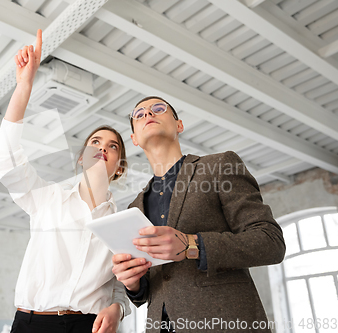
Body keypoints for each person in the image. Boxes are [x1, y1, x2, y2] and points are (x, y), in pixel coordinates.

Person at [0, 29, 130, 333]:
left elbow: (122, 279)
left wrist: (118, 308)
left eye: (112, 146)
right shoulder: (47, 198)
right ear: (82, 157)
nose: (103, 148)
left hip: (87, 326)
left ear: (119, 168)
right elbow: (5, 160)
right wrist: (24, 85)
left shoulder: (123, 222)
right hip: (31, 323)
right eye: (95, 142)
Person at [111, 96, 286, 333]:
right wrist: (133, 284)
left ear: (179, 125)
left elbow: (270, 241)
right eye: (139, 114)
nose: (148, 114)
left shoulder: (220, 165)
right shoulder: (135, 207)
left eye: (158, 109)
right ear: (134, 140)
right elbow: (152, 288)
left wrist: (192, 245)